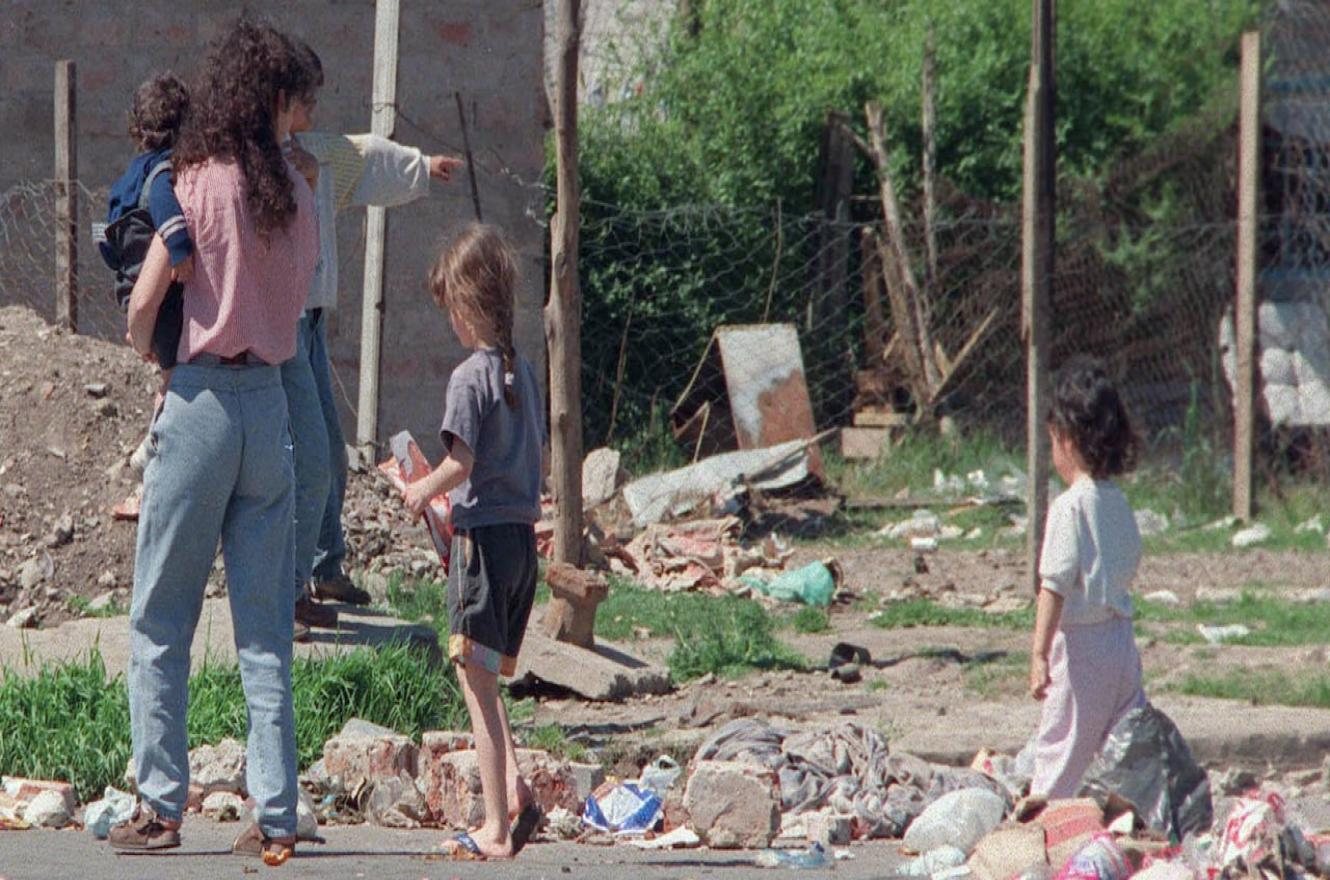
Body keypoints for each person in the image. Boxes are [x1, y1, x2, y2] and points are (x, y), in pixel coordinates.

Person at [107, 19, 318, 867]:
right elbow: (298, 303)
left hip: (198, 401)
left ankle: (160, 807)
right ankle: (276, 813)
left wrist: (156, 337)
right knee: (264, 630)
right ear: (276, 101)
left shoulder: (190, 183)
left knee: (161, 615)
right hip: (270, 406)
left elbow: (136, 317)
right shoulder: (298, 194)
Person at [281, 39, 464, 636]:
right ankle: (288, 591)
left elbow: (364, 155)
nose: (311, 109)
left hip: (307, 324)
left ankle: (323, 567)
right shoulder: (260, 162)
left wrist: (421, 167)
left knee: (328, 453)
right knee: (308, 460)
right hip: (276, 328)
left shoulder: (315, 153)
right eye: (303, 98)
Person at [403, 224, 544, 861]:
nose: (449, 322)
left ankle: (493, 829)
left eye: (449, 308)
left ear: (467, 303)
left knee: (474, 685)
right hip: (521, 542)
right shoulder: (524, 374)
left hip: (481, 548)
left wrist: (418, 491)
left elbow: (459, 464)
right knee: (489, 679)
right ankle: (514, 789)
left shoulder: (469, 378)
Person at [1028, 355, 1146, 799]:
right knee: (1124, 744)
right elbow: (1130, 559)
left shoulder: (1069, 507)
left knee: (1062, 745)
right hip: (1122, 642)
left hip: (1083, 649)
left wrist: (1039, 653)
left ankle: (1040, 829)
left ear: (1067, 439)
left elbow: (1053, 585)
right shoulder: (1117, 501)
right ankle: (1136, 814)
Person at [94, 72, 195, 519]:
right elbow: (165, 207)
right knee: (175, 377)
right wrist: (180, 251)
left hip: (128, 277)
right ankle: (152, 449)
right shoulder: (166, 172)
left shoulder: (127, 175)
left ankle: (149, 448)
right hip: (161, 292)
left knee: (168, 375)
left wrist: (120, 269)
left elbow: (102, 232)